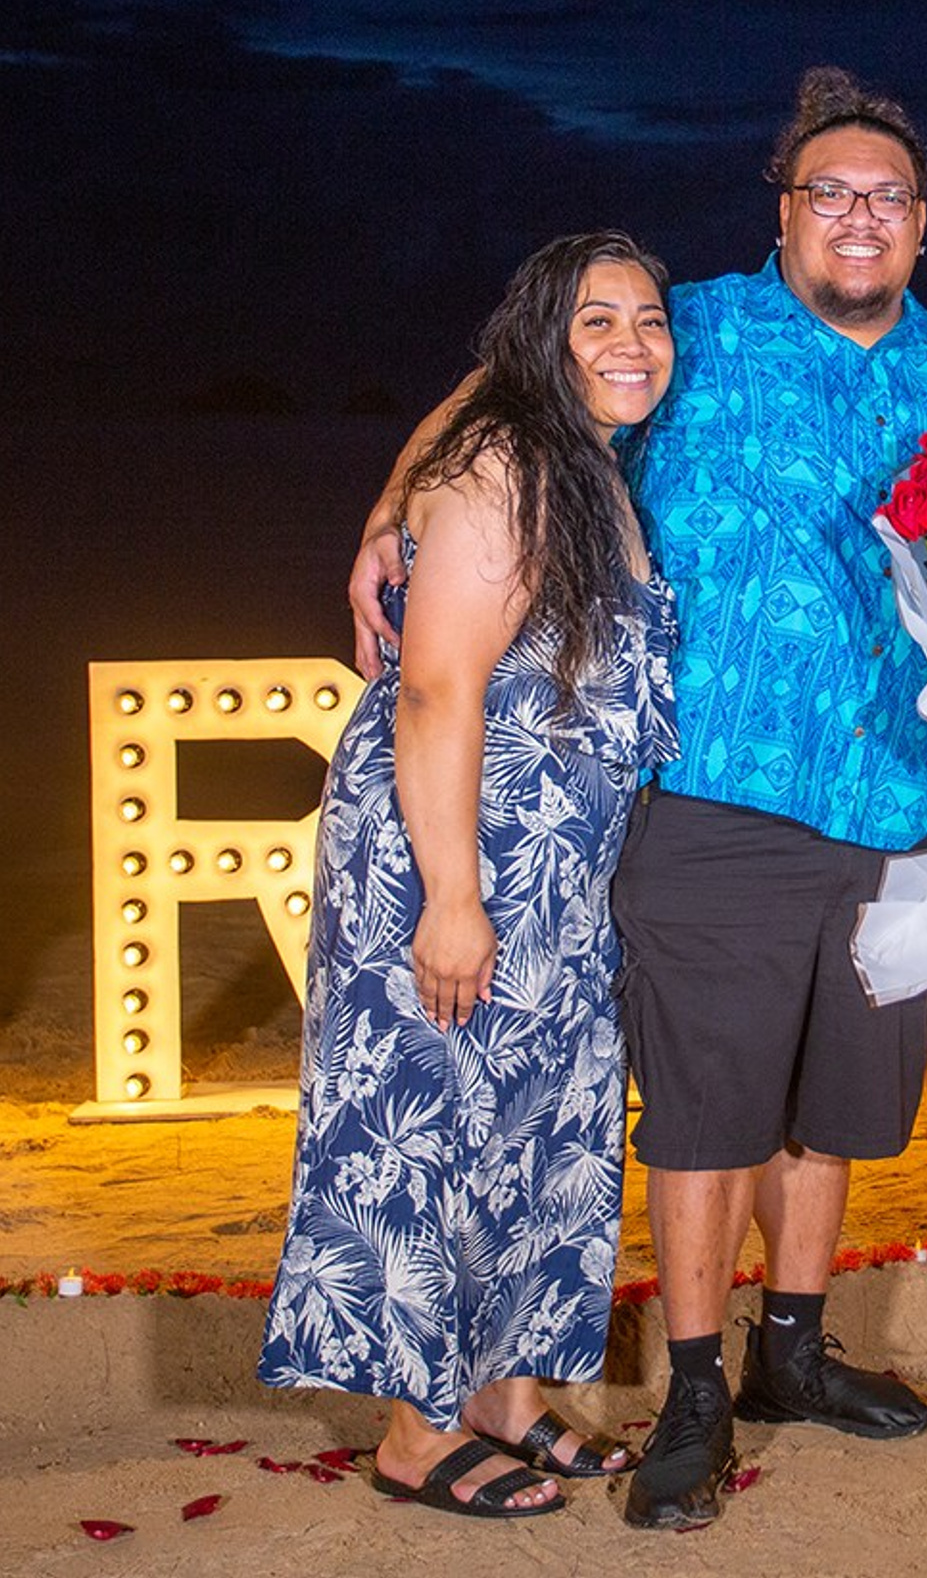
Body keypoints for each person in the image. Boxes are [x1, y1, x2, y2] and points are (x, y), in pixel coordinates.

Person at [349, 68, 927, 1530]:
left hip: (899, 797)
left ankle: (792, 1352)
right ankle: (697, 1386)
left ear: (923, 223)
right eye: (828, 193)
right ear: (781, 217)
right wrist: (395, 514)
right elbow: (502, 388)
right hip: (709, 796)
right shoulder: (688, 330)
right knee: (709, 1113)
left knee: (829, 1111)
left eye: (886, 197)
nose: (858, 216)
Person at [260, 232, 681, 1519]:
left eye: (648, 322)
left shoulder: (583, 457)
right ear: (539, 341)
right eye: (593, 322)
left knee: (539, 1127)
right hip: (458, 859)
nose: (628, 344)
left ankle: (506, 1402)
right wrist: (450, 898)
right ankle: (412, 1429)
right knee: (425, 1121)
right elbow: (438, 690)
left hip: (558, 877)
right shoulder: (499, 462)